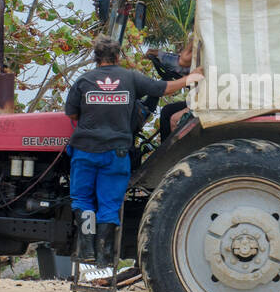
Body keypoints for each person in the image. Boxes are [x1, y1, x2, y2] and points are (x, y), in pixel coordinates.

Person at [65, 35, 200, 267]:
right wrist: (191, 78)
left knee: (82, 198)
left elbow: (72, 115)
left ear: (96, 58)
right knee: (109, 205)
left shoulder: (83, 81)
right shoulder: (129, 77)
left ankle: (86, 249)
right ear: (117, 57)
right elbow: (163, 88)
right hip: (116, 154)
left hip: (85, 151)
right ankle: (105, 257)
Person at [148, 35, 195, 142]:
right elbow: (179, 61)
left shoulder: (206, 53)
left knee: (175, 119)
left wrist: (159, 55)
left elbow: (181, 63)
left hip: (209, 102)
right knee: (167, 111)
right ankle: (164, 152)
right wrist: (159, 54)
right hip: (201, 99)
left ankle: (176, 155)